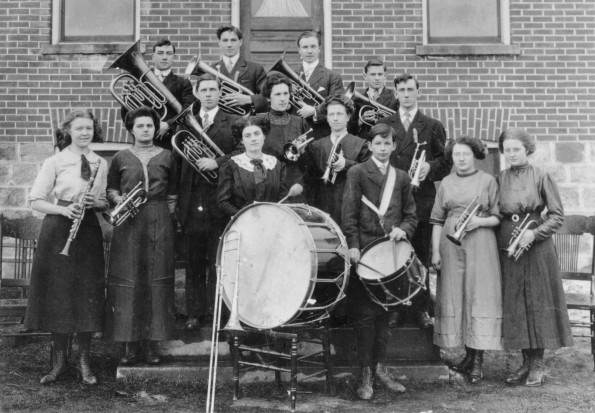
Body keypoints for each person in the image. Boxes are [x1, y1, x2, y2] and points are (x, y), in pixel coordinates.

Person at [25, 109, 108, 385]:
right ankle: (59, 361)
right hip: (59, 230)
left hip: (87, 232)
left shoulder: (100, 162)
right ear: (68, 131)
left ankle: (84, 360)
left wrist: (95, 203)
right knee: (58, 294)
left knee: (87, 293)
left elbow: (103, 200)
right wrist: (64, 210)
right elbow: (36, 200)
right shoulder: (55, 161)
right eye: (79, 128)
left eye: (89, 128)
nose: (84, 133)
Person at [342, 123, 417, 400]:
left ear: (394, 146)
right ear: (370, 145)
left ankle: (380, 369)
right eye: (378, 143)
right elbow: (348, 212)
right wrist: (352, 246)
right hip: (364, 253)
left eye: (388, 144)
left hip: (391, 253)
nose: (383, 148)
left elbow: (411, 214)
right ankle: (365, 374)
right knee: (364, 317)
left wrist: (404, 229)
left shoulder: (401, 177)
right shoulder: (357, 172)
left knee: (385, 317)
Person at [496, 128, 573, 387]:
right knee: (517, 300)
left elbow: (557, 216)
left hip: (536, 244)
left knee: (537, 299)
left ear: (527, 149)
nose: (511, 153)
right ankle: (525, 362)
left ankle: (538, 363)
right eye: (507, 149)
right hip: (509, 241)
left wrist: (534, 234)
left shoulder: (541, 176)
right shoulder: (500, 178)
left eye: (516, 149)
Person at [376, 72, 451, 329]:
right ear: (395, 94)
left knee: (420, 255)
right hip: (393, 201)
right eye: (402, 91)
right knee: (395, 256)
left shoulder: (432, 125)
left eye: (410, 90)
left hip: (422, 202)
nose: (406, 95)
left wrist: (429, 167)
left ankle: (420, 310)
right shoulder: (386, 123)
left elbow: (445, 161)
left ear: (418, 92)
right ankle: (397, 308)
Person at [105, 106, 178, 366]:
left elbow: (174, 192)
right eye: (140, 126)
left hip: (159, 219)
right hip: (129, 222)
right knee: (129, 280)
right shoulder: (120, 157)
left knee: (156, 281)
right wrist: (119, 199)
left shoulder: (168, 155)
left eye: (150, 125)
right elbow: (111, 188)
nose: (146, 129)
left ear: (156, 128)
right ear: (131, 130)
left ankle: (151, 346)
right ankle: (129, 345)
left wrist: (170, 219)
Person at [430, 136, 503, 384]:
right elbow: (437, 220)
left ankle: (477, 360)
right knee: (456, 295)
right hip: (451, 244)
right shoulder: (446, 182)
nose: (461, 159)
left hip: (481, 241)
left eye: (466, 154)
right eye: (456, 155)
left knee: (478, 295)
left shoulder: (487, 181)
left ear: (474, 156)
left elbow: (497, 216)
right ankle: (466, 355)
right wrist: (435, 252)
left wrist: (478, 222)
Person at [178, 74, 240, 331]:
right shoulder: (186, 121)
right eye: (203, 90)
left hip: (219, 200)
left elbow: (240, 151)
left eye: (213, 90)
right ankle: (194, 313)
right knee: (193, 261)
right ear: (196, 92)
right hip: (192, 201)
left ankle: (219, 313)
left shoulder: (232, 122)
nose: (208, 94)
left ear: (219, 92)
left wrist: (218, 162)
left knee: (217, 262)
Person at [304, 95, 370, 227]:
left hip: (351, 205)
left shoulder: (361, 144)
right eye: (331, 114)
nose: (335, 118)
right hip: (323, 205)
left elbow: (369, 173)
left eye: (339, 114)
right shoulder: (316, 145)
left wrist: (346, 164)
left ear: (348, 116)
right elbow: (310, 180)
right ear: (326, 117)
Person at [218, 116, 302, 216]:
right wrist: (244, 216)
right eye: (248, 136)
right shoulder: (230, 166)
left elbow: (283, 198)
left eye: (257, 134)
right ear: (241, 140)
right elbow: (223, 202)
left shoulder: (277, 165)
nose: (253, 139)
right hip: (243, 223)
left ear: (264, 136)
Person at [120, 38, 194, 151]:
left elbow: (189, 110)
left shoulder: (183, 83)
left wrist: (169, 124)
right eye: (160, 53)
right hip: (143, 142)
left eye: (169, 53)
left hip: (170, 142)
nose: (164, 57)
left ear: (173, 58)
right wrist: (125, 98)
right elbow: (128, 115)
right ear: (153, 56)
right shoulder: (139, 81)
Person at [260, 72, 311, 203]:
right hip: (266, 186)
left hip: (295, 188)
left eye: (285, 93)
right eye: (277, 94)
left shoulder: (299, 122)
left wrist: (303, 152)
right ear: (268, 97)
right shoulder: (257, 121)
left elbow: (308, 165)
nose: (283, 98)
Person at [201, 25, 268, 114]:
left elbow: (268, 96)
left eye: (233, 40)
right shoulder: (210, 70)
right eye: (225, 40)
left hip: (245, 122)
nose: (229, 45)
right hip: (218, 122)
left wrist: (249, 99)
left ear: (240, 42)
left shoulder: (255, 68)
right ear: (219, 43)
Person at [293, 30, 345, 140]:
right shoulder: (290, 75)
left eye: (313, 46)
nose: (309, 51)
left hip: (321, 134)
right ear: (299, 50)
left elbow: (337, 105)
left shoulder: (332, 76)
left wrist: (314, 111)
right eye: (305, 47)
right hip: (295, 133)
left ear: (319, 49)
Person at [348, 59, 399, 138]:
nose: (377, 78)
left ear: (385, 76)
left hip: (386, 141)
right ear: (365, 76)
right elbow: (349, 130)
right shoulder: (356, 99)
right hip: (364, 144)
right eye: (373, 74)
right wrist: (361, 121)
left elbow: (400, 123)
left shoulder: (394, 97)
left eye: (380, 74)